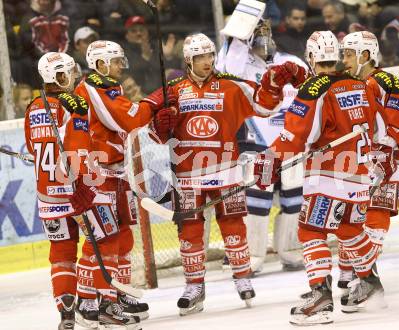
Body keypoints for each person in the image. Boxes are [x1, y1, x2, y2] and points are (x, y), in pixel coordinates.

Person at [151, 32, 301, 316]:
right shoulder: (172, 89)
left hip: (226, 171)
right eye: (200, 57)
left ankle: (242, 276)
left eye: (209, 56)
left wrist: (273, 82)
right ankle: (194, 285)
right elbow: (149, 128)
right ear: (188, 60)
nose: (207, 61)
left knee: (234, 225)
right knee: (190, 232)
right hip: (188, 175)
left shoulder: (231, 86)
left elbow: (264, 106)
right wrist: (160, 125)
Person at [254, 31, 386, 325]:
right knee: (349, 228)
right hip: (361, 174)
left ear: (312, 58)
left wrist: (269, 158)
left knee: (310, 230)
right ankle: (371, 282)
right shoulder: (359, 84)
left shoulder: (313, 88)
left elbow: (297, 136)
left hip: (329, 175)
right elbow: (378, 128)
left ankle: (321, 297)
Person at [75, 40, 176, 325]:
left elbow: (131, 124)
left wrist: (155, 117)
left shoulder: (108, 88)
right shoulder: (95, 87)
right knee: (102, 239)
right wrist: (153, 101)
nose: (122, 65)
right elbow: (130, 119)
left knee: (122, 236)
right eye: (116, 60)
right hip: (99, 176)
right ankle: (91, 301)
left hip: (117, 173)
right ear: (100, 63)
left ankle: (114, 294)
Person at [216, 19, 308, 274]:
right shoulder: (238, 64)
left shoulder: (292, 62)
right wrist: (238, 35)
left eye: (266, 30)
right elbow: (224, 72)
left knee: (295, 199)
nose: (262, 36)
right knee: (257, 202)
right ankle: (252, 257)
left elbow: (310, 97)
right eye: (256, 32)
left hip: (291, 143)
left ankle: (291, 252)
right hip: (255, 142)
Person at [24, 52, 100, 329]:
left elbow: (33, 149)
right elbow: (81, 149)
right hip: (76, 192)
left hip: (48, 197)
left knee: (61, 251)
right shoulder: (74, 105)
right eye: (68, 72)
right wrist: (84, 183)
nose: (74, 77)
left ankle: (66, 312)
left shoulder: (32, 108)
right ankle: (94, 304)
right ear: (57, 76)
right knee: (99, 243)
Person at [339, 31, 399, 290]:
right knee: (352, 219)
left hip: (384, 160)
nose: (343, 60)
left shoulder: (385, 81)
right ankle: (349, 274)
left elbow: (395, 125)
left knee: (375, 218)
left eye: (348, 54)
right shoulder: (350, 83)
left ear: (365, 55)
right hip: (358, 161)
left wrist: (385, 154)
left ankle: (366, 279)